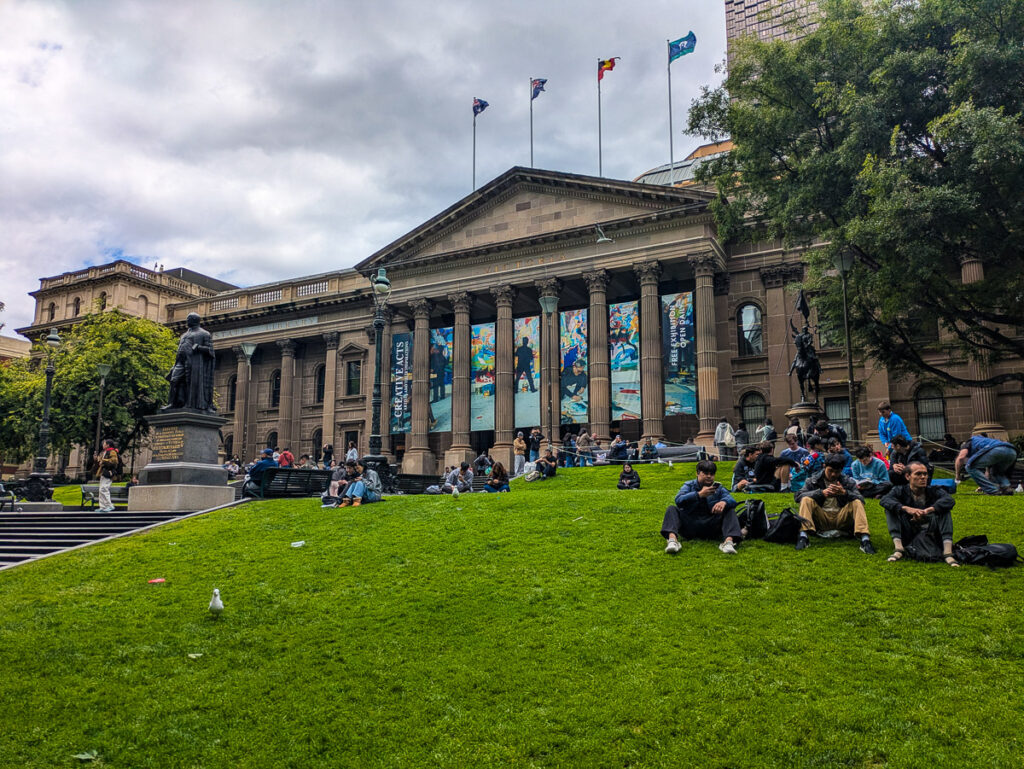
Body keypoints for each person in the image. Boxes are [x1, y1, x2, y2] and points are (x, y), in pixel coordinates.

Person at [880, 461, 958, 565]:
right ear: (908, 476)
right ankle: (899, 548)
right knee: (891, 509)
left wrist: (928, 510)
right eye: (918, 474)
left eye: (925, 474)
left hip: (931, 531)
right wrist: (907, 509)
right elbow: (885, 500)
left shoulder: (933, 490)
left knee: (944, 510)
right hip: (909, 529)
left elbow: (949, 500)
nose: (923, 477)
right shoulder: (899, 490)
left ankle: (948, 552)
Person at [795, 454, 875, 554]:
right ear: (824, 466)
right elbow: (798, 496)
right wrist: (821, 493)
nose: (833, 474)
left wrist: (845, 493)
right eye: (830, 471)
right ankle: (803, 537)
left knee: (857, 502)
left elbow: (861, 499)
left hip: (841, 517)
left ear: (841, 470)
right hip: (821, 517)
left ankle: (865, 540)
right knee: (806, 500)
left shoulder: (847, 481)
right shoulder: (813, 480)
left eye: (837, 472)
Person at [662, 460, 743, 555]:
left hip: (711, 525)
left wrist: (724, 502)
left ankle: (728, 542)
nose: (709, 476)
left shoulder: (719, 487)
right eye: (705, 473)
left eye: (712, 474)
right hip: (690, 525)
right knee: (672, 509)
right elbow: (679, 500)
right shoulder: (689, 485)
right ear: (697, 473)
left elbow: (732, 500)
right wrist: (698, 494)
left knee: (730, 510)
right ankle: (672, 540)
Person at [95, 439, 120, 513]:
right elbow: (99, 460)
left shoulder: (112, 451)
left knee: (104, 489)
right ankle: (103, 507)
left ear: (108, 445)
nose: (103, 445)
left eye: (104, 443)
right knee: (101, 490)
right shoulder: (104, 452)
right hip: (103, 473)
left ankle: (109, 505)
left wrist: (103, 461)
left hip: (109, 473)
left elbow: (114, 461)